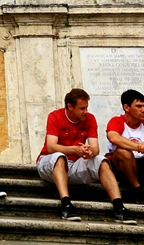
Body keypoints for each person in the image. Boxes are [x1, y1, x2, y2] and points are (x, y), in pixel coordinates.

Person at [36, 88, 134, 223]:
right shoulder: (55, 116)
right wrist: (74, 150)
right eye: (82, 108)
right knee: (59, 157)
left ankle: (119, 207)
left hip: (75, 165)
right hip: (49, 164)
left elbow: (95, 148)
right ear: (70, 107)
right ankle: (66, 205)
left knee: (101, 160)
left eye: (86, 107)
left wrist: (89, 152)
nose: (85, 111)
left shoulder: (90, 118)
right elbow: (51, 147)